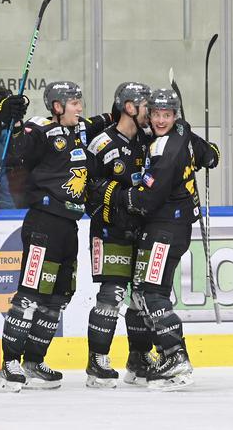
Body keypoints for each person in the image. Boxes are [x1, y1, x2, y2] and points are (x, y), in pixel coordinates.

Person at [96, 88, 219, 390]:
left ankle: (176, 356)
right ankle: (154, 357)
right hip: (170, 228)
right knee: (144, 292)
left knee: (151, 292)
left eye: (167, 115)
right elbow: (210, 157)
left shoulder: (164, 150)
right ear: (149, 115)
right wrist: (204, 148)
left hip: (165, 229)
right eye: (157, 114)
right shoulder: (183, 132)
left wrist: (115, 195)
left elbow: (146, 199)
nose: (161, 120)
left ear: (174, 115)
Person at [0, 81, 112, 392]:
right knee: (30, 295)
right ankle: (9, 364)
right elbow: (12, 154)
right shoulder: (40, 129)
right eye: (74, 102)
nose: (80, 107)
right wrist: (8, 119)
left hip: (69, 227)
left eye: (79, 101)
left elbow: (113, 117)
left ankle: (34, 361)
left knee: (57, 298)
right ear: (58, 106)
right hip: (43, 225)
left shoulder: (82, 129)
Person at [84, 82, 156, 388]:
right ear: (129, 106)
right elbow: (86, 189)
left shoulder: (148, 140)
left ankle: (138, 358)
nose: (150, 113)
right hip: (109, 229)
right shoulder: (101, 143)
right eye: (145, 106)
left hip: (140, 229)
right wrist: (121, 198)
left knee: (141, 296)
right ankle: (96, 361)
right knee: (111, 295)